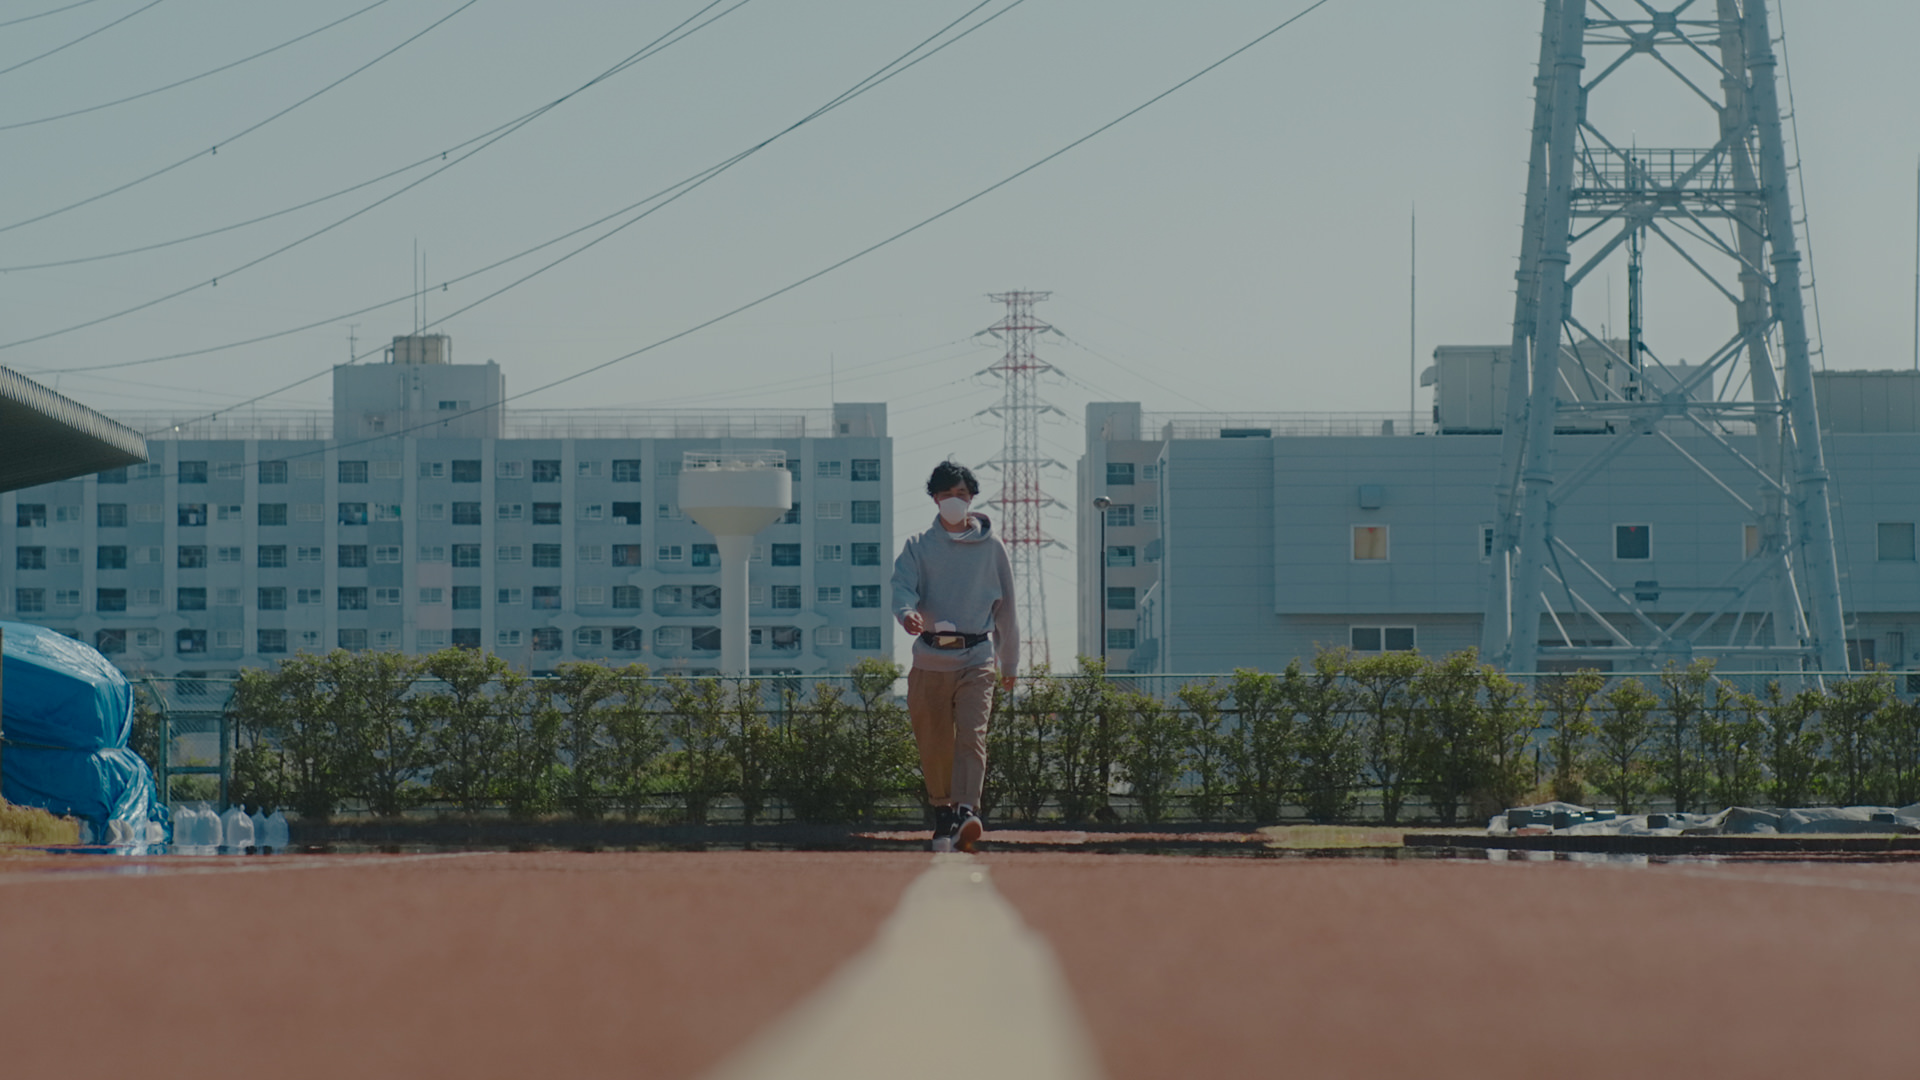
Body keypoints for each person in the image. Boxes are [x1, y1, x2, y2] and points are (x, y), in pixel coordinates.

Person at [891, 460, 1019, 852]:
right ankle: (943, 815)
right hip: (930, 656)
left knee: (971, 734)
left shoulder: (992, 548)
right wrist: (907, 613)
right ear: (934, 499)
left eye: (961, 495)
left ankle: (967, 810)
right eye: (947, 495)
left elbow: (1007, 609)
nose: (954, 502)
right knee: (933, 740)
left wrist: (1009, 662)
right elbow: (902, 588)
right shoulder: (917, 545)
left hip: (977, 655)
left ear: (973, 499)